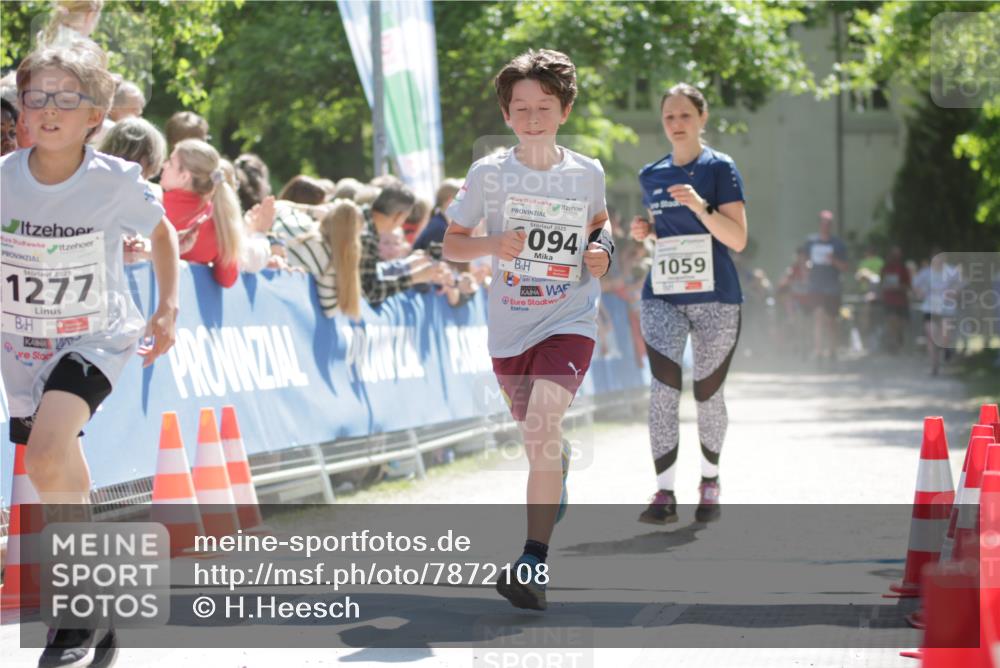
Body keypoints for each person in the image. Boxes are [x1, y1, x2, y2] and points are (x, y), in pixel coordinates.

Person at [2, 37, 179, 666]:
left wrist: (166, 306)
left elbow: (163, 233)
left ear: (94, 116)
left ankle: (74, 618)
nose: (49, 109)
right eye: (37, 97)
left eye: (66, 99)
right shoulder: (3, 182)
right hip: (23, 345)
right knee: (56, 470)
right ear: (22, 109)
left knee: (48, 454)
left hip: (97, 337)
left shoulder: (115, 180)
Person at [444, 49, 613, 611]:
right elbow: (452, 244)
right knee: (539, 441)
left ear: (564, 110)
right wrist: (493, 244)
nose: (533, 117)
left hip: (570, 319)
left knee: (543, 423)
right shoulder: (488, 173)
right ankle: (555, 463)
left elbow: (599, 223)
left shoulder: (586, 171)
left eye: (544, 106)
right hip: (510, 331)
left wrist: (601, 250)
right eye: (521, 108)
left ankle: (532, 561)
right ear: (506, 114)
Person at [630, 82, 748, 526]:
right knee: (662, 392)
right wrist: (647, 232)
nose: (676, 124)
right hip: (663, 293)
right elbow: (669, 237)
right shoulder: (651, 174)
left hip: (717, 297)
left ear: (702, 118)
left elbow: (736, 238)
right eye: (668, 117)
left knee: (707, 393)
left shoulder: (720, 168)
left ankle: (710, 480)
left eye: (685, 116)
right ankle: (663, 492)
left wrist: (701, 207)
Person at [161, 138, 243, 287]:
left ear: (185, 176)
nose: (164, 165)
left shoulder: (152, 205)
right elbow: (227, 279)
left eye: (171, 163)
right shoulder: (220, 220)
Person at [285, 199, 364, 319]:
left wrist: (312, 210)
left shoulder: (311, 236)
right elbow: (329, 309)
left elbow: (279, 206)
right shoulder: (326, 253)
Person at [802, 210, 848, 365]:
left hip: (832, 287)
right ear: (819, 223)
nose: (826, 225)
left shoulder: (838, 244)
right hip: (815, 285)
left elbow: (845, 266)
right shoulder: (811, 242)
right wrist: (806, 271)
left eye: (829, 223)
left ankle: (833, 350)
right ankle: (818, 350)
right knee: (818, 315)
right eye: (823, 222)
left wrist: (833, 260)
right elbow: (803, 261)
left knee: (832, 319)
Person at [912, 249, 961, 376]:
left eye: (940, 258)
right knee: (931, 336)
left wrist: (954, 292)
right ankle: (934, 365)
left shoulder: (951, 271)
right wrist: (919, 293)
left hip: (947, 308)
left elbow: (959, 284)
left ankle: (946, 349)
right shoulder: (926, 273)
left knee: (945, 336)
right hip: (930, 308)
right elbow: (915, 284)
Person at [413, 178, 463, 251]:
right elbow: (436, 259)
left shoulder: (438, 221)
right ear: (450, 200)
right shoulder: (439, 227)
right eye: (461, 199)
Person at [880, 246, 910, 354]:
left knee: (900, 323)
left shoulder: (903, 268)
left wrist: (898, 287)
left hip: (901, 300)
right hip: (889, 300)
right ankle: (892, 344)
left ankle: (898, 338)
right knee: (891, 321)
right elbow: (881, 283)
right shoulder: (885, 268)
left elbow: (907, 285)